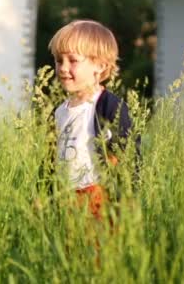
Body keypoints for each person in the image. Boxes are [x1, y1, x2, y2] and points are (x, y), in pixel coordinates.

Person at [48, 19, 139, 221]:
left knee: (97, 250)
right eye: (58, 60)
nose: (63, 67)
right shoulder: (59, 112)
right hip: (65, 196)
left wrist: (127, 198)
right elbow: (49, 159)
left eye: (72, 60)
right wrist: (44, 194)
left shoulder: (108, 106)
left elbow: (129, 153)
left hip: (97, 196)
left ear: (100, 66)